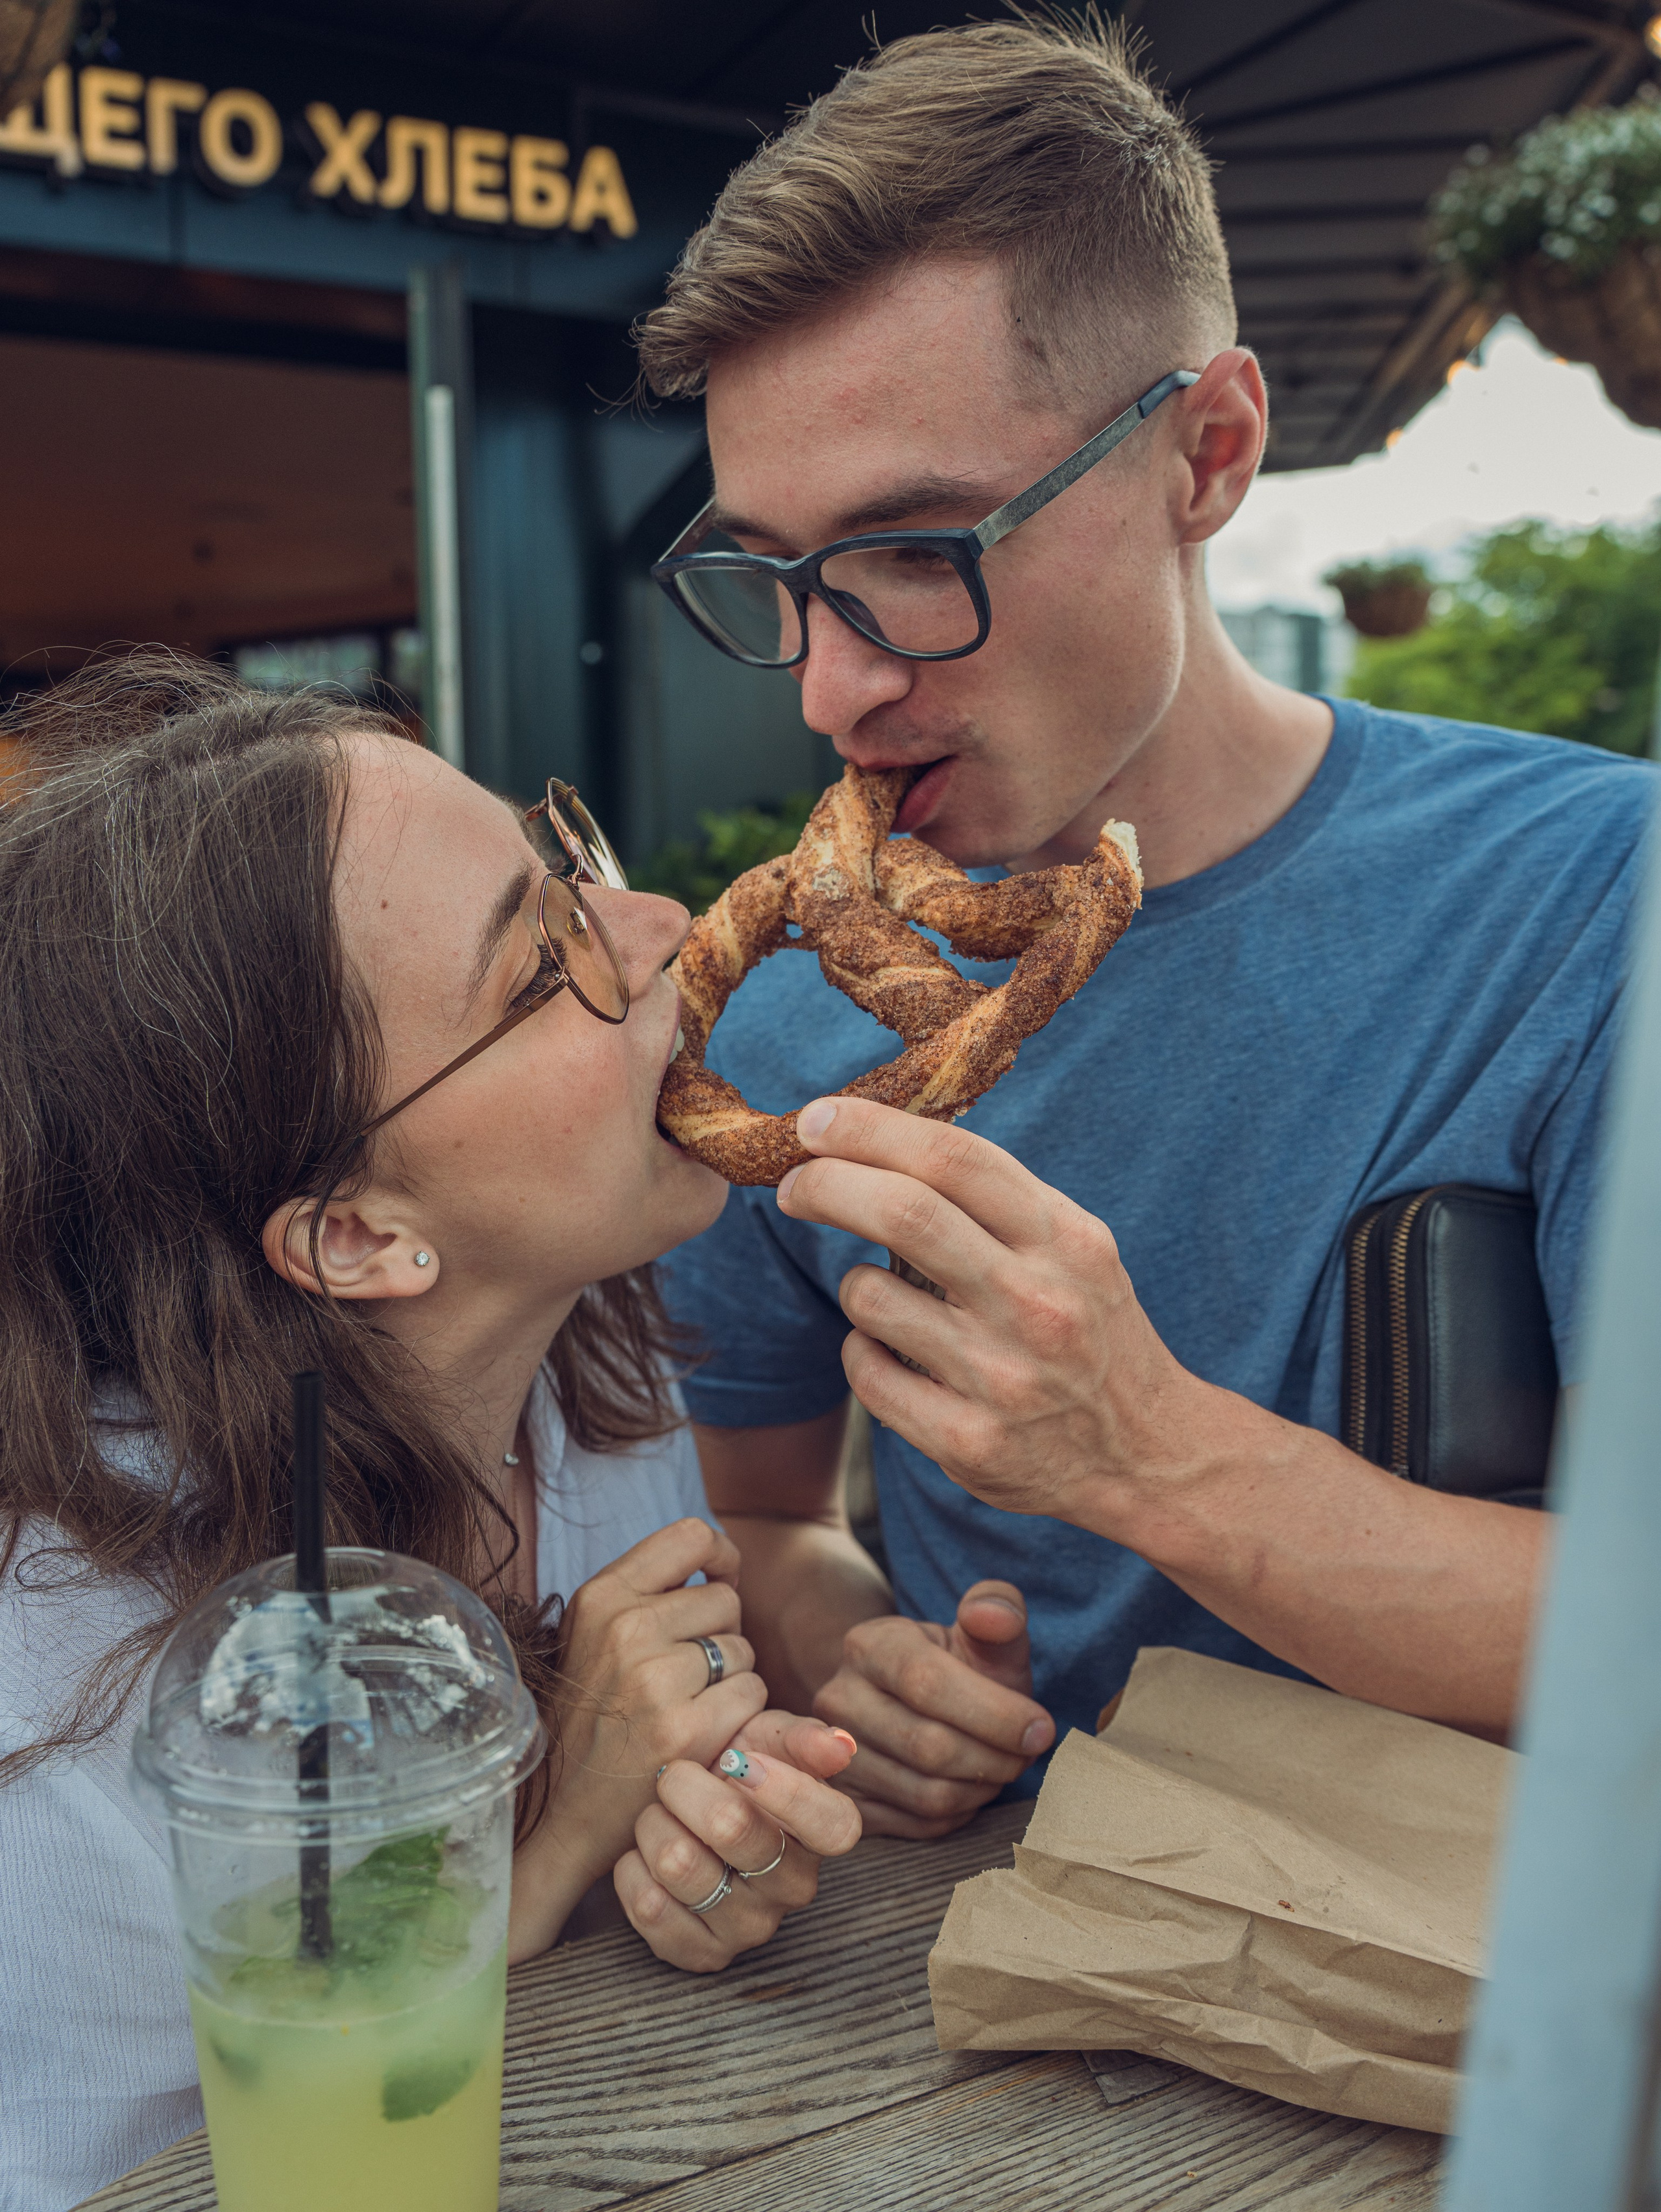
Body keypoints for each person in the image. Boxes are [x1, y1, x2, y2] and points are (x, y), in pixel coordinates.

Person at [638, 14, 1658, 1838]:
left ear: (1208, 452)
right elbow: (764, 1513)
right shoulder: (776, 1021)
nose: (829, 689)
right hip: (968, 1965)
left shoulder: (1594, 896)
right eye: (773, 577)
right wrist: (853, 1645)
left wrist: (1147, 1452)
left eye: (920, 551)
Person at [0, 655, 859, 2211]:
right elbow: (224, 2147)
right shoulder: (55, 1681)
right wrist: (561, 1838)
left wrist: (686, 1849)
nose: (661, 923)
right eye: (542, 961)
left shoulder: (586, 1372)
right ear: (356, 1235)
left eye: (566, 865)